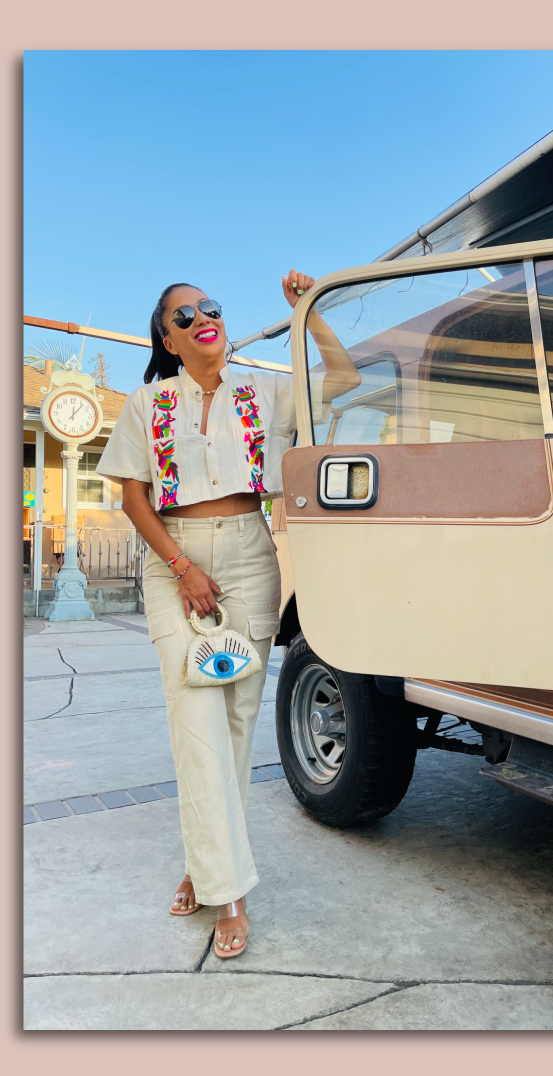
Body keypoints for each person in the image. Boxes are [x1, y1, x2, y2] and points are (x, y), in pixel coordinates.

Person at [95, 273, 359, 959]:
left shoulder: (266, 391)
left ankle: (203, 866)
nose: (202, 316)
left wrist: (309, 310)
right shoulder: (147, 402)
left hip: (249, 556)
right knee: (197, 725)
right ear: (167, 336)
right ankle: (228, 893)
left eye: (210, 307)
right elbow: (132, 498)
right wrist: (183, 569)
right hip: (173, 561)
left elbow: (345, 377)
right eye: (185, 313)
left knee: (236, 727)